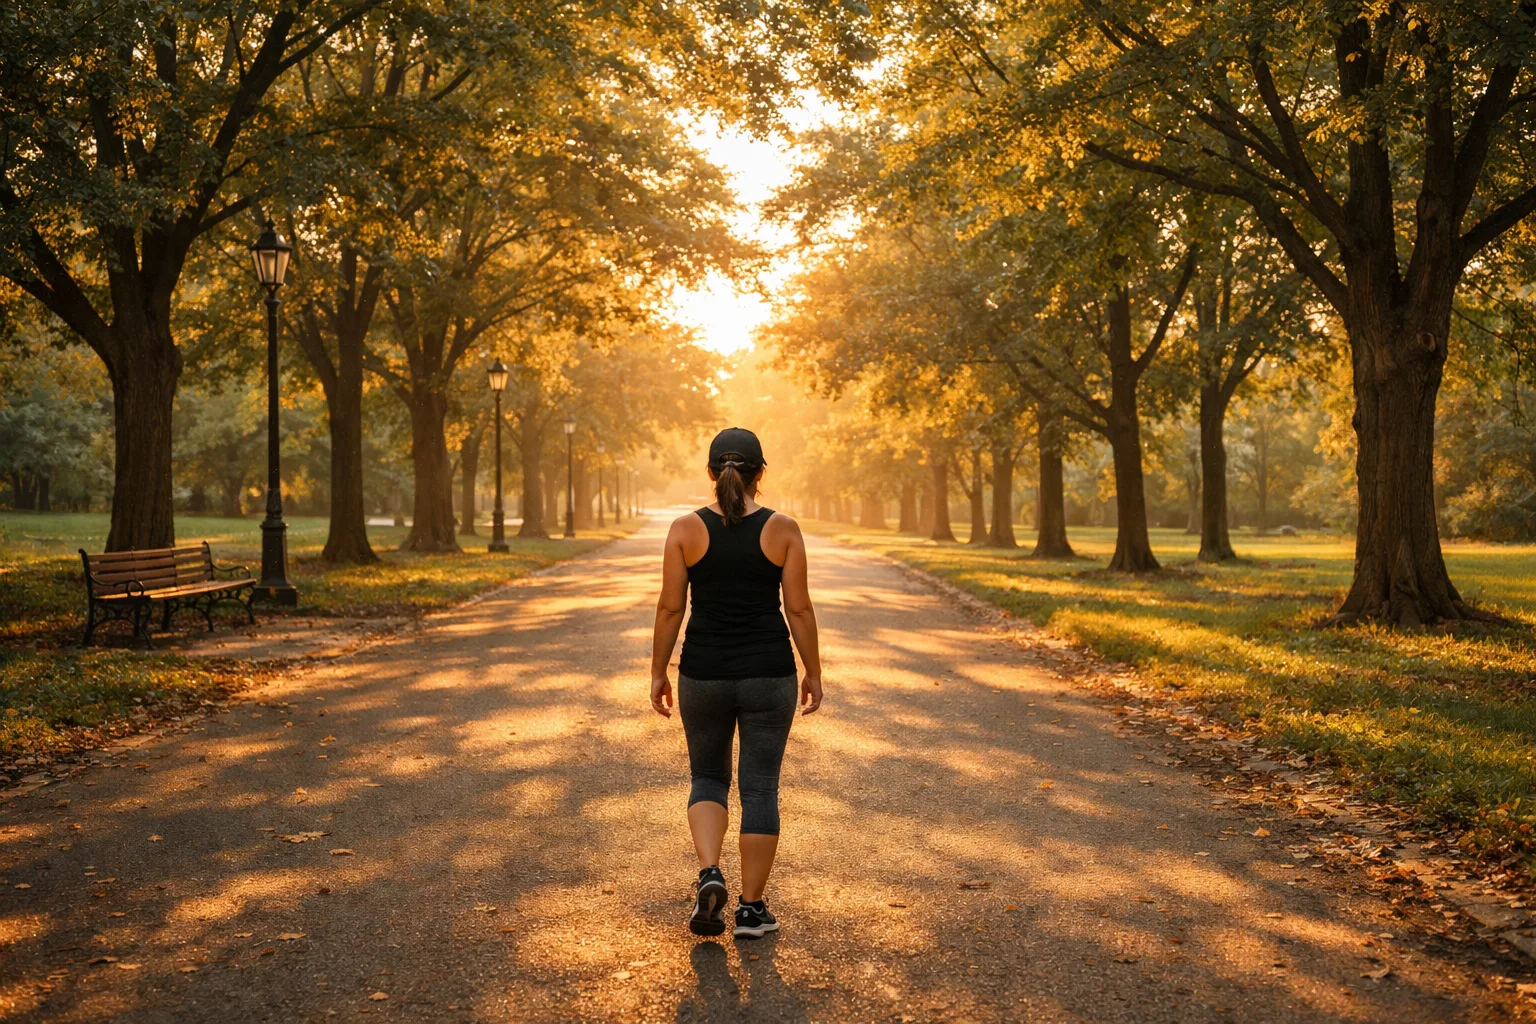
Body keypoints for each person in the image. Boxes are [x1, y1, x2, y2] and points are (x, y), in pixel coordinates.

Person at [649, 427, 824, 939]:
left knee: (707, 778)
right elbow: (798, 608)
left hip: (703, 673)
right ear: (760, 474)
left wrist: (659, 670)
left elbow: (669, 608)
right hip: (769, 674)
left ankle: (709, 873)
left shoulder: (685, 530)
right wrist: (813, 670)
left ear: (712, 473)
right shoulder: (783, 530)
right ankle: (751, 909)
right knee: (760, 786)